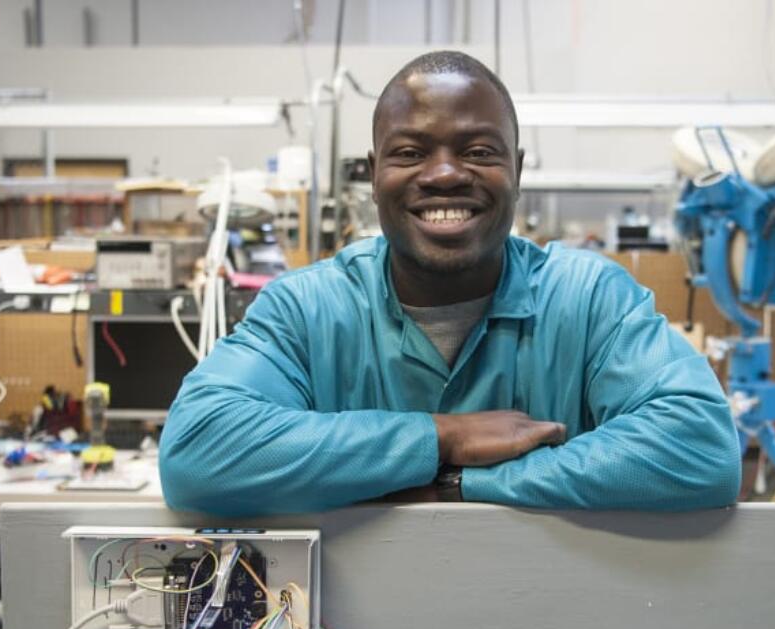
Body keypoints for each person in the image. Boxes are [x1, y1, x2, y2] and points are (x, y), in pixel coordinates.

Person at [159, 51, 740, 515]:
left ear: (517, 166)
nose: (443, 174)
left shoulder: (588, 300)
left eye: (478, 150)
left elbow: (701, 448)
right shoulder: (306, 309)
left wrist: (461, 485)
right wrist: (443, 438)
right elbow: (198, 452)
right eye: (410, 152)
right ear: (375, 172)